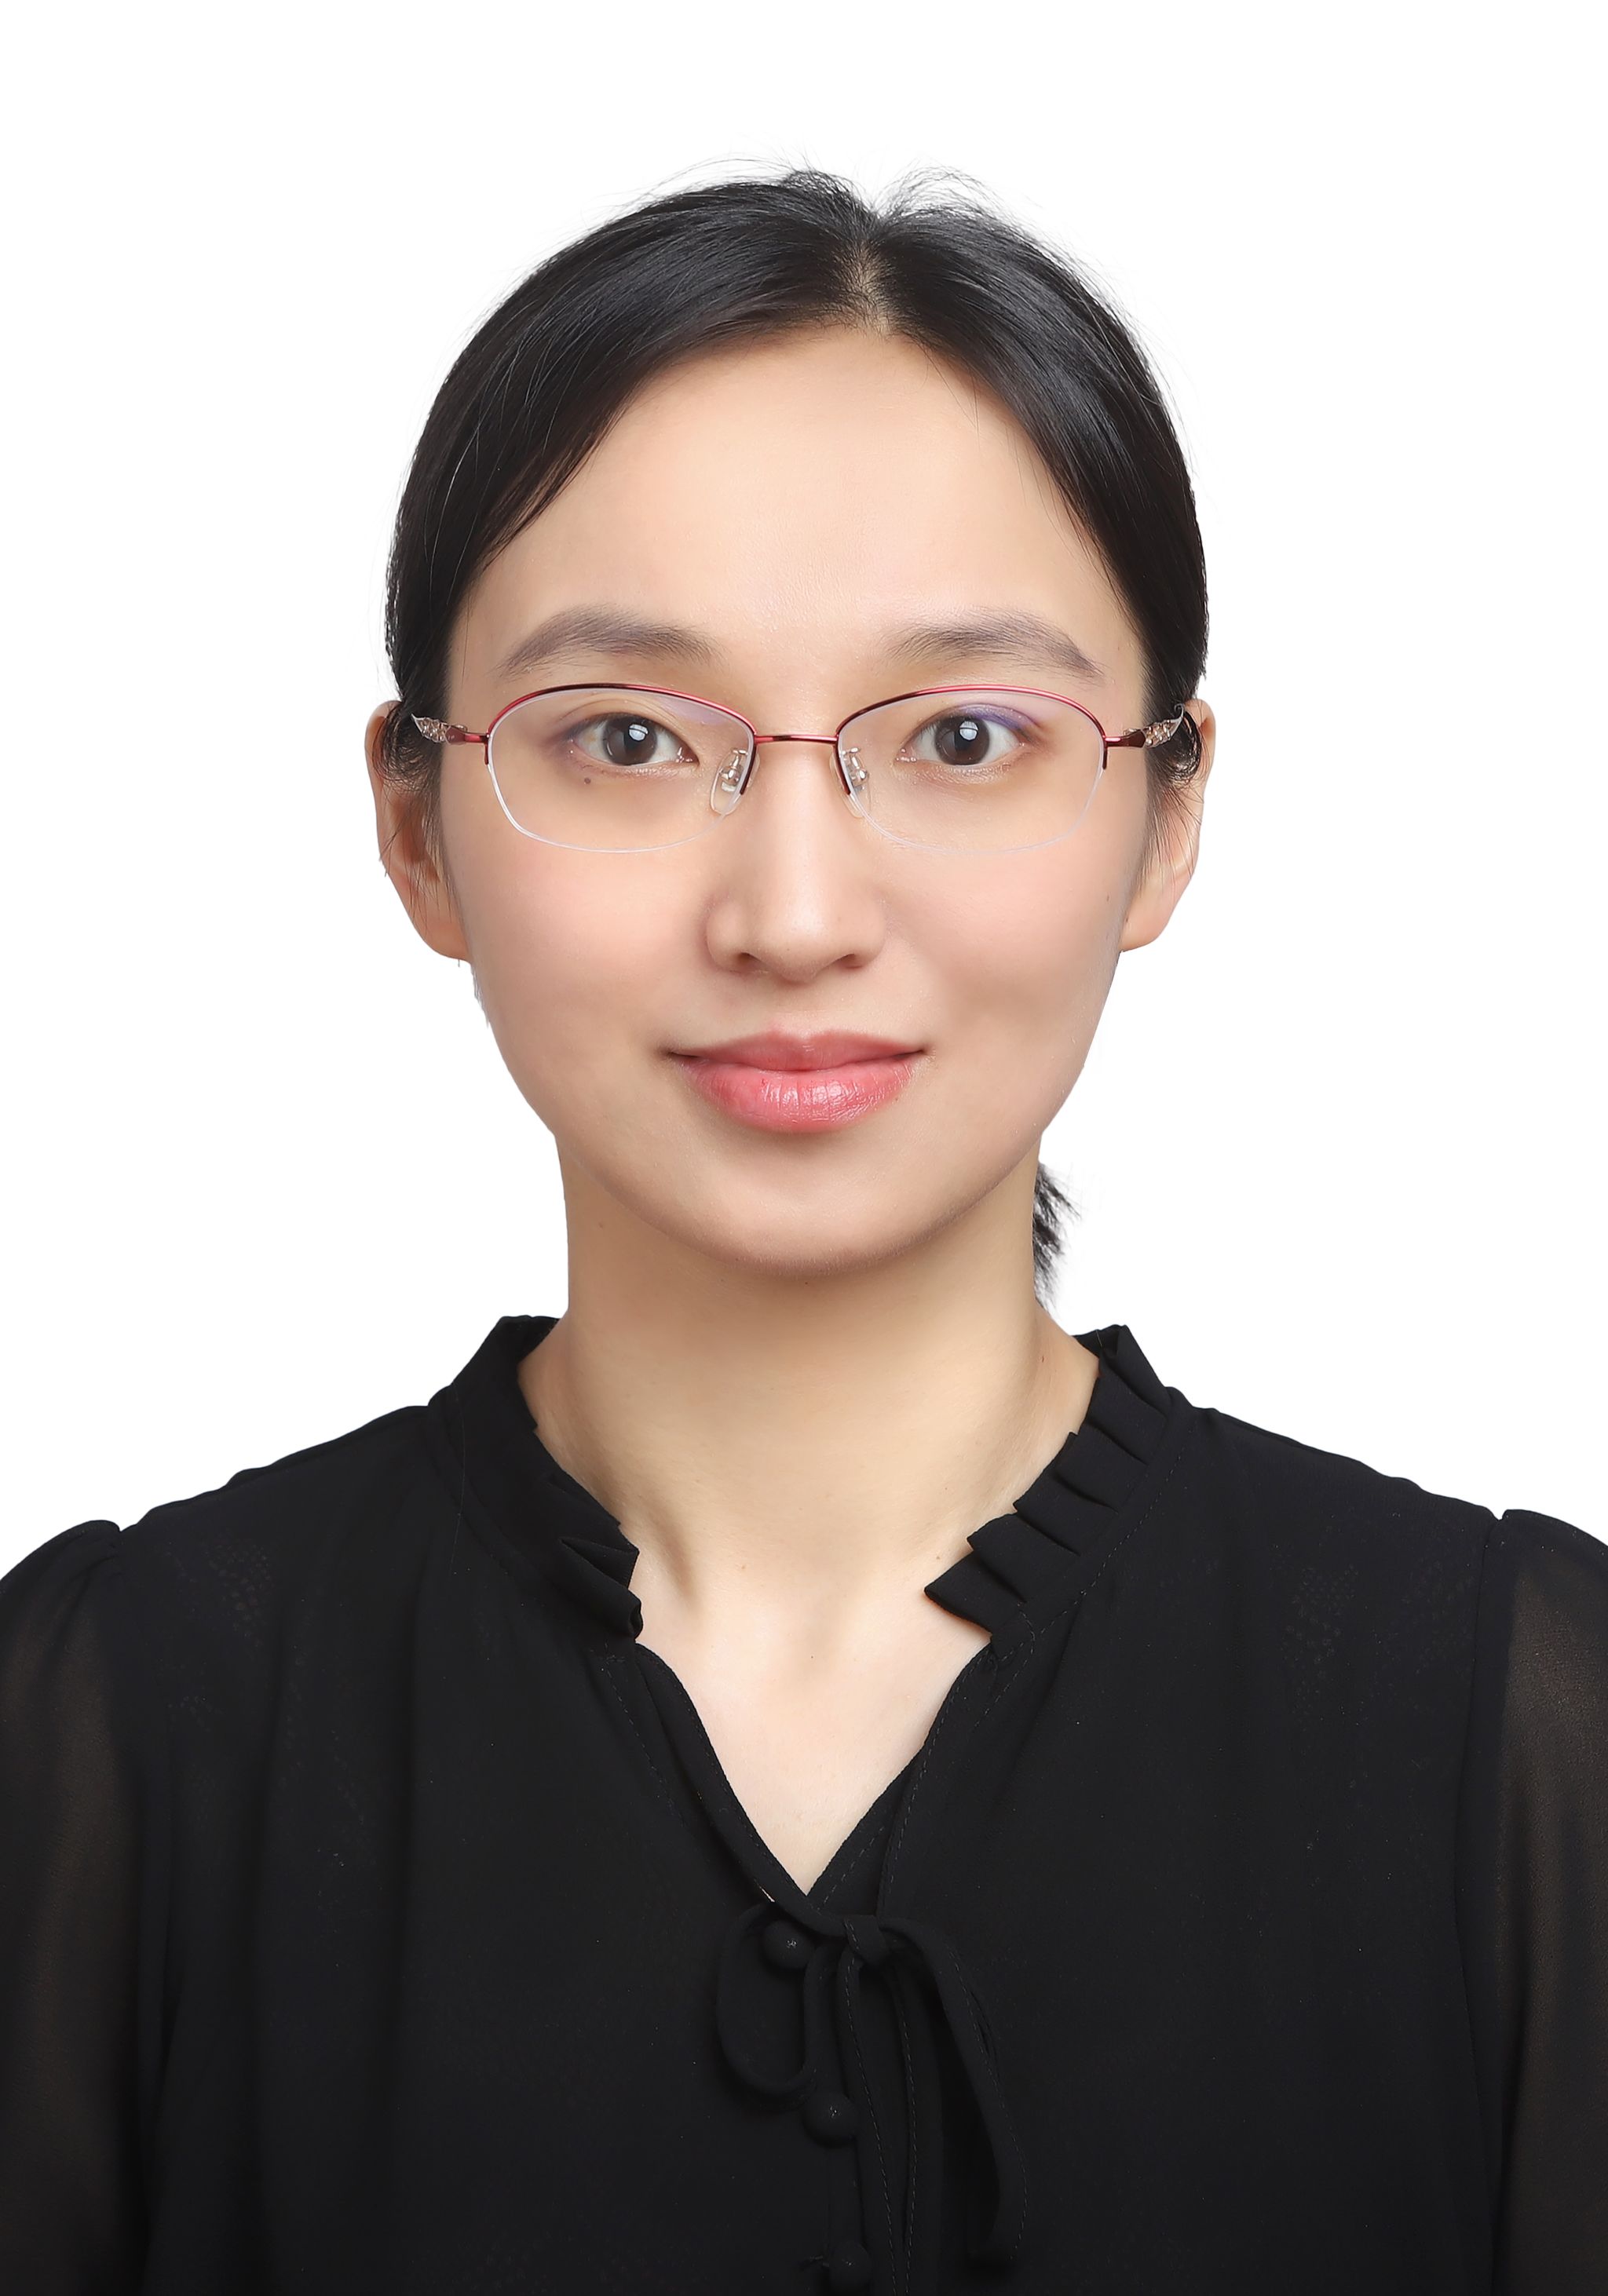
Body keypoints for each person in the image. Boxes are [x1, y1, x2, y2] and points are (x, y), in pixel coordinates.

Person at [1, 166, 1603, 2296]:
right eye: (627, 739)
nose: (795, 914)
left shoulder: (1518, 1724)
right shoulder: (113, 1720)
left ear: (1168, 812)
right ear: (417, 826)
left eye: (964, 738)